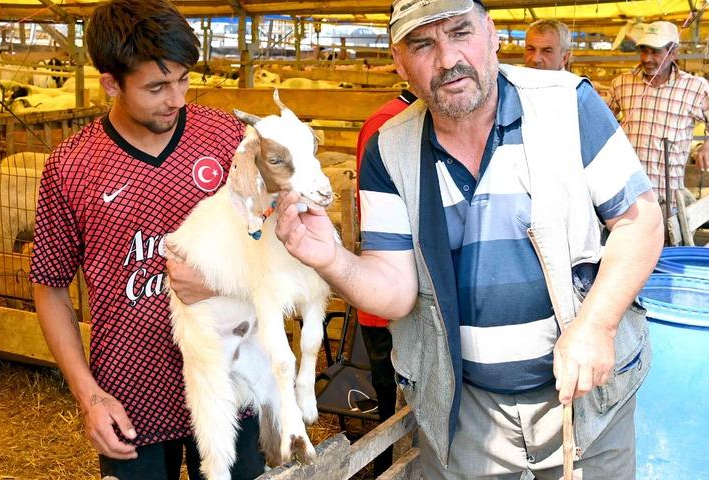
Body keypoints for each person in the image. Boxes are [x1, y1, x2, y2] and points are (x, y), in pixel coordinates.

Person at [274, 0, 664, 477]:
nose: (447, 59)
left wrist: (597, 325)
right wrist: (332, 259)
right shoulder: (389, 149)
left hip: (586, 397)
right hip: (466, 413)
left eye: (461, 32)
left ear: (493, 34)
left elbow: (640, 222)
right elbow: (395, 290)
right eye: (423, 44)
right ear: (399, 61)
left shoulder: (567, 104)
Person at [29, 1, 265, 479]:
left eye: (183, 80)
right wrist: (89, 396)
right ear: (111, 83)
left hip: (230, 380)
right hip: (131, 394)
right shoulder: (71, 166)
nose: (176, 99)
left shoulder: (225, 139)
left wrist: (220, 283)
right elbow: (49, 286)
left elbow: (272, 236)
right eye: (156, 87)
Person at [353, 87, 416, 477]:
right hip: (390, 295)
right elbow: (376, 216)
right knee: (391, 393)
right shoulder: (386, 123)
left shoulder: (430, 118)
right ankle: (385, 466)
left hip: (415, 295)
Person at [608, 20, 709, 210]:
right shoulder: (621, 83)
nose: (647, 58)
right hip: (627, 196)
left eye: (655, 52)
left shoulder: (694, 87)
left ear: (673, 53)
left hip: (667, 198)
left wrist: (707, 145)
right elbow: (601, 124)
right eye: (644, 50)